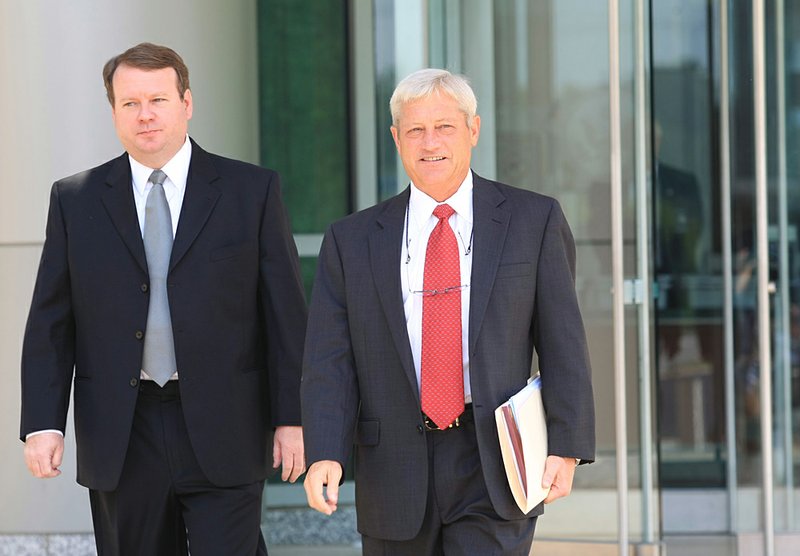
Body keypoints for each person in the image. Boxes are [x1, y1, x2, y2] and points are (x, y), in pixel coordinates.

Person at [20, 42, 307, 555]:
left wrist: (293, 417)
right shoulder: (75, 199)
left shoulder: (250, 190)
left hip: (227, 423)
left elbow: (284, 314)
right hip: (122, 430)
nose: (145, 114)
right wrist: (43, 422)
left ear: (187, 102)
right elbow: (51, 322)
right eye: (130, 103)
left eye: (158, 99)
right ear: (113, 112)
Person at [301, 68, 595, 555]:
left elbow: (563, 341)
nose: (429, 142)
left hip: (494, 461)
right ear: (396, 138)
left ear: (473, 130)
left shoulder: (532, 220)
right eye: (415, 129)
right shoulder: (350, 240)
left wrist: (567, 445)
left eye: (445, 127)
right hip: (392, 464)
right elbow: (330, 360)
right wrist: (325, 452)